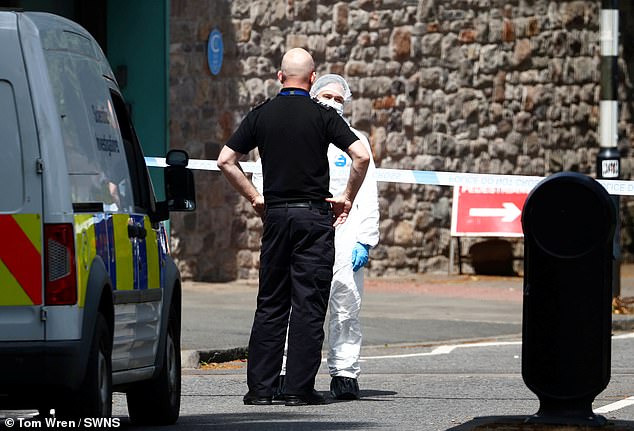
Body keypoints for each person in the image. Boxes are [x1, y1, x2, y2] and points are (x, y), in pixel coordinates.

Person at [217, 48, 370, 407]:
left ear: (279, 77)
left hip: (277, 216)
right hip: (314, 219)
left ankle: (260, 389)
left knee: (270, 302)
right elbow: (360, 155)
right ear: (313, 79)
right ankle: (298, 389)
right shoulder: (323, 115)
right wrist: (346, 197)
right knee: (307, 303)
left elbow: (226, 160)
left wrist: (256, 198)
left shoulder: (261, 115)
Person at [254, 74, 380, 401]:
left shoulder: (354, 140)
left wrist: (364, 238)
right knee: (295, 302)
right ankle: (285, 372)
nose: (332, 102)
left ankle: (344, 372)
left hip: (343, 229)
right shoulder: (299, 130)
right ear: (312, 92)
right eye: (326, 95)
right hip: (304, 226)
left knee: (345, 303)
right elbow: (263, 172)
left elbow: (367, 192)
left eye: (339, 98)